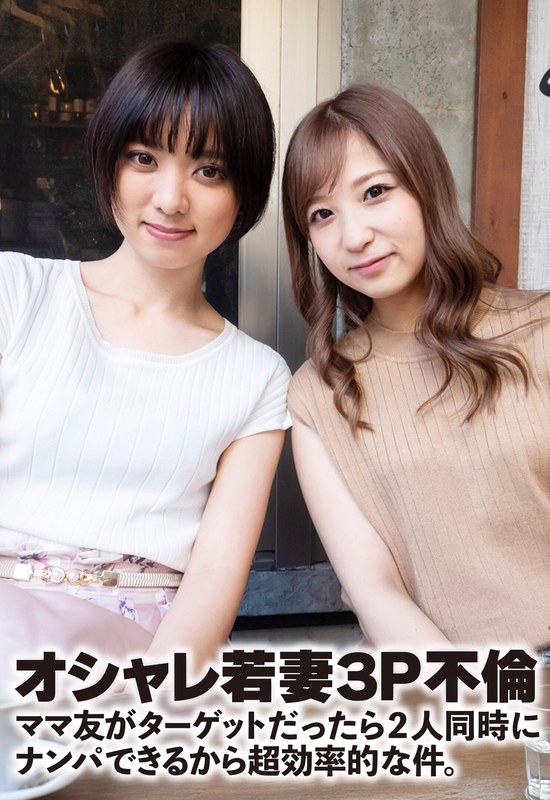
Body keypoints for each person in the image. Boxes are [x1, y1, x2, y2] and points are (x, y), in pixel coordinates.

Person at [0, 38, 290, 677]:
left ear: (245, 191)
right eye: (144, 158)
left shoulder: (257, 378)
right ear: (109, 163)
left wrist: (155, 697)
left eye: (208, 170)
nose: (170, 198)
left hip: (128, 654)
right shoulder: (15, 294)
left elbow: (215, 573)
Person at [282, 82, 550, 652]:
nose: (355, 236)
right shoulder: (320, 394)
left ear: (427, 185)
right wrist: (474, 699)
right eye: (322, 214)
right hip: (451, 691)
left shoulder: (543, 330)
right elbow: (374, 591)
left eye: (376, 191)